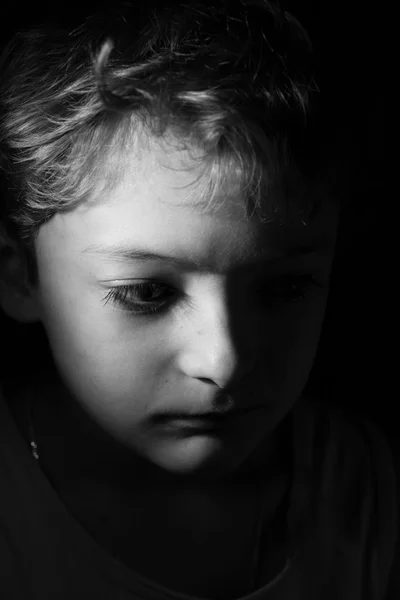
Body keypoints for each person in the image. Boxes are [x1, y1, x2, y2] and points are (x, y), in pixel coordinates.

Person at [0, 1, 396, 598]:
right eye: (147, 292)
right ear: (19, 276)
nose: (224, 362)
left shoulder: (366, 485)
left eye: (285, 287)